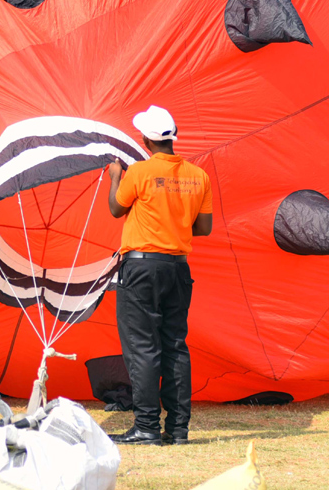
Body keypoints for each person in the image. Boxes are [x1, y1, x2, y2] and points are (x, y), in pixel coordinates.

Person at [107, 105, 212, 446]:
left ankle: (147, 427)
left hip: (141, 268)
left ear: (145, 139)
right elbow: (204, 227)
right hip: (178, 268)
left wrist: (114, 178)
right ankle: (178, 429)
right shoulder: (199, 176)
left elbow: (115, 208)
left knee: (142, 348)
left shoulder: (138, 172)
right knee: (175, 346)